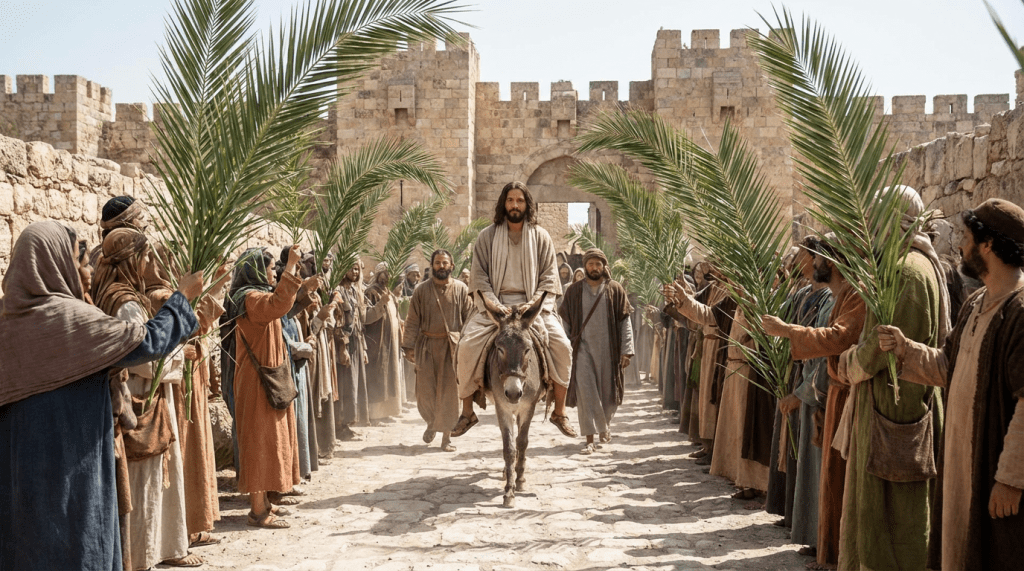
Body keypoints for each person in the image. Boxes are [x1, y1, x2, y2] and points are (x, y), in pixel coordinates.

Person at [0, 221, 201, 571]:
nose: (89, 269)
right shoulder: (72, 320)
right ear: (57, 262)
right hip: (72, 464)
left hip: (18, 471)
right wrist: (182, 300)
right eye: (82, 260)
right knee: (77, 541)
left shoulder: (6, 321)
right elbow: (147, 341)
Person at [877, 198, 1024, 571]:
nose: (959, 245)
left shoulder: (1019, 312)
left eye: (966, 237)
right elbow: (948, 366)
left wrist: (1010, 478)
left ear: (987, 244)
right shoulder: (976, 302)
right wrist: (904, 348)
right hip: (961, 465)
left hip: (993, 468)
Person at [835, 186, 949, 571]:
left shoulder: (905, 271)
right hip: (896, 412)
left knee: (892, 528)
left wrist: (846, 363)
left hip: (894, 415)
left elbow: (880, 349)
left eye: (876, 221)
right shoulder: (916, 265)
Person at [91, 228, 201, 570]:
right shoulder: (125, 301)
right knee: (140, 491)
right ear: (132, 260)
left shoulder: (119, 293)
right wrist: (182, 354)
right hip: (137, 402)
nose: (150, 263)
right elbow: (143, 356)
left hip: (134, 399)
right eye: (146, 256)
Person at [762, 235, 866, 571]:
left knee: (834, 474)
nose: (811, 264)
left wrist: (788, 331)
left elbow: (837, 339)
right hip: (828, 391)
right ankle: (825, 547)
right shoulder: (838, 295)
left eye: (816, 258)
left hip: (837, 392)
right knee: (826, 475)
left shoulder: (854, 295)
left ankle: (835, 553)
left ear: (830, 262)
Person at [454, 181, 576, 438]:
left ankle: (560, 411)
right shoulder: (486, 236)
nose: (515, 205)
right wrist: (493, 304)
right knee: (466, 346)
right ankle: (467, 412)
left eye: (520, 200)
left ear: (527, 204)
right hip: (494, 308)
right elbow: (479, 276)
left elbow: (549, 278)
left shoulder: (541, 236)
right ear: (503, 203)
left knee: (562, 346)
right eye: (510, 200)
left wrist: (532, 304)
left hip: (533, 309)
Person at [762, 239, 832, 551]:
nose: (798, 260)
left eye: (803, 254)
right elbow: (781, 320)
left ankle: (817, 534)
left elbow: (825, 347)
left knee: (813, 458)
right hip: (798, 372)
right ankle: (796, 517)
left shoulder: (831, 298)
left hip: (816, 383)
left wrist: (803, 392)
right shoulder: (803, 293)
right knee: (795, 453)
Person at [227, 246, 305, 529]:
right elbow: (279, 305)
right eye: (272, 268)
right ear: (257, 270)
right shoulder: (249, 298)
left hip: (266, 379)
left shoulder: (255, 295)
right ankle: (258, 511)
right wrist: (293, 265)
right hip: (256, 382)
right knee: (259, 443)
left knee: (270, 440)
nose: (274, 273)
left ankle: (265, 503)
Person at [559, 248, 634, 454]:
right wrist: (565, 347)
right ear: (585, 266)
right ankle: (590, 438)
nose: (594, 268)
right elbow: (565, 323)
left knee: (608, 395)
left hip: (609, 351)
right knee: (586, 393)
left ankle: (604, 427)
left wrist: (626, 350)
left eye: (598, 264)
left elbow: (625, 322)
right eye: (591, 264)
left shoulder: (615, 289)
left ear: (604, 266)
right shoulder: (573, 291)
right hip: (582, 350)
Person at [402, 250, 474, 452]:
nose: (441, 266)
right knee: (425, 393)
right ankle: (432, 422)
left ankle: (446, 437)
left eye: (445, 263)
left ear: (452, 266)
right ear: (432, 265)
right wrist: (408, 347)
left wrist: (468, 346)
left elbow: (469, 319)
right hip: (426, 347)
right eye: (437, 263)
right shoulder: (421, 290)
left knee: (450, 394)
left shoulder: (461, 289)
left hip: (451, 349)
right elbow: (412, 320)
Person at [668, 262, 736, 466]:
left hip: (721, 351)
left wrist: (683, 296)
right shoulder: (714, 289)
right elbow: (698, 309)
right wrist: (680, 295)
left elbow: (708, 315)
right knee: (705, 398)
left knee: (715, 401)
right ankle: (708, 446)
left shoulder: (734, 293)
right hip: (707, 347)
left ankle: (717, 451)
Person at [364, 262, 405, 421]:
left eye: (390, 275)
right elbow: (368, 317)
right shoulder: (372, 292)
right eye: (385, 274)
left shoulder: (388, 292)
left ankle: (387, 412)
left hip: (390, 342)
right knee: (378, 375)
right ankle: (375, 414)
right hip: (378, 342)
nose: (387, 278)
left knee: (389, 375)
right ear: (378, 274)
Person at [335, 261, 369, 438]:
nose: (355, 271)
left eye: (357, 268)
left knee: (353, 384)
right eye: (351, 267)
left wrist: (363, 348)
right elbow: (339, 322)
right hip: (345, 344)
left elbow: (359, 322)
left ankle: (347, 423)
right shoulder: (338, 291)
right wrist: (342, 347)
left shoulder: (354, 291)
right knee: (345, 383)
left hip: (356, 341)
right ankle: (340, 426)